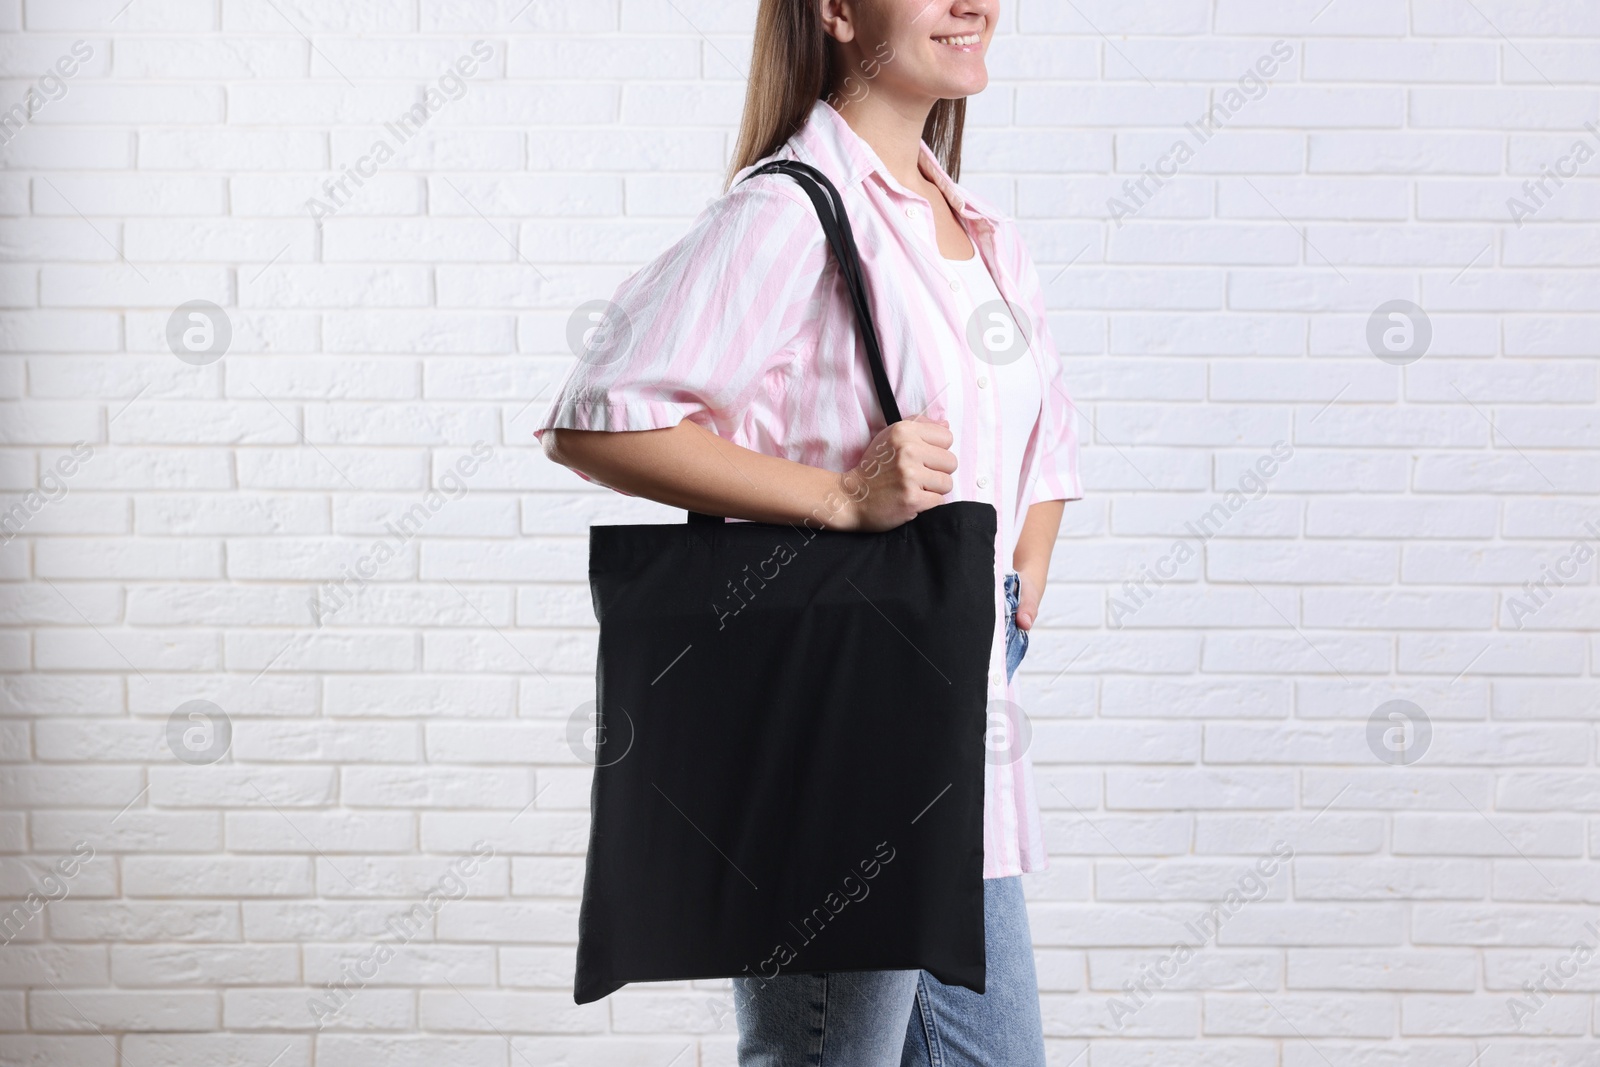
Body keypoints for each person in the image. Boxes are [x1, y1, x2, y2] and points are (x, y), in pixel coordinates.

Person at [536, 1, 1083, 1062]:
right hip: (853, 711)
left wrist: (1017, 587)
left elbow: (1045, 435)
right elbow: (600, 416)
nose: (974, 3)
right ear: (835, 12)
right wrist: (839, 498)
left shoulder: (981, 233)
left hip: (962, 711)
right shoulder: (790, 213)